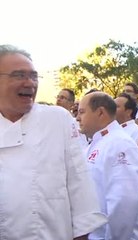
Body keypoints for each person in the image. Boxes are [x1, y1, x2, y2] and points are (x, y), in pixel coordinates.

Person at [0, 44, 107, 239]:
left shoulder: (58, 119)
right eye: (19, 75)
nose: (29, 83)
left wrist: (82, 234)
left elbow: (79, 181)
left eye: (33, 76)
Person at [77, 92, 138, 240]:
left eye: (82, 112)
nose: (77, 118)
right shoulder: (98, 143)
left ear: (100, 112)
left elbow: (124, 203)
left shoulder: (119, 144)